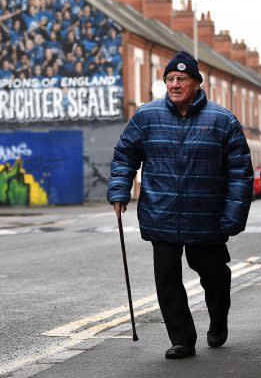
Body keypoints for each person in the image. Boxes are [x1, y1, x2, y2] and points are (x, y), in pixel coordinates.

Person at [107, 51, 253, 360]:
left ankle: (218, 318)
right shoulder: (147, 117)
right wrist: (119, 190)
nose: (175, 84)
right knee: (167, 280)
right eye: (170, 79)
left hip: (207, 217)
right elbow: (124, 157)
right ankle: (182, 339)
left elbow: (240, 172)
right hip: (161, 214)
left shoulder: (221, 120)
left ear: (197, 83)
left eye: (182, 79)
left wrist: (234, 215)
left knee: (214, 274)